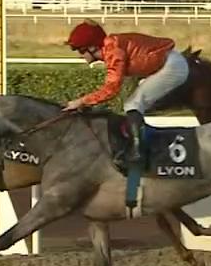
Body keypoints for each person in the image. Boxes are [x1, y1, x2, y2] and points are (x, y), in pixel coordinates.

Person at [62, 20, 189, 167]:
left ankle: (139, 153)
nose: (80, 56)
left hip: (171, 67)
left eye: (81, 51)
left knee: (133, 104)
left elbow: (111, 89)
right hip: (163, 65)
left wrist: (81, 101)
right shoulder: (111, 46)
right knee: (133, 104)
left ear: (92, 47)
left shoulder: (113, 51)